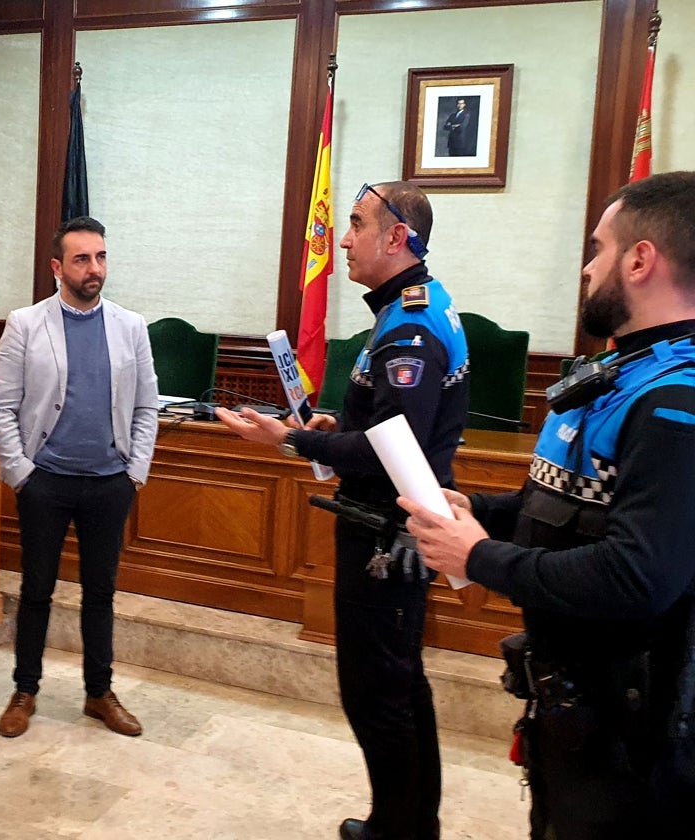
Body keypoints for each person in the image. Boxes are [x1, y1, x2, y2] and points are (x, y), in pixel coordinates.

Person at [401, 171, 695, 839]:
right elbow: (571, 505)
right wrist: (478, 505)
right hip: (573, 709)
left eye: (598, 249)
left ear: (640, 259)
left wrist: (480, 557)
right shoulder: (629, 372)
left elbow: (636, 575)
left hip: (635, 738)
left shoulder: (677, 401)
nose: (589, 268)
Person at [216, 182, 468, 840]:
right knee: (400, 688)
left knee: (378, 695)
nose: (343, 239)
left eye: (355, 225)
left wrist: (293, 437)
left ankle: (401, 830)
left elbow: (393, 449)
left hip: (387, 539)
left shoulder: (410, 327)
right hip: (390, 529)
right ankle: (407, 824)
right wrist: (337, 424)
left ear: (396, 238)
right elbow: (381, 426)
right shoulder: (404, 309)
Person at [0, 215, 159, 739]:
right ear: (58, 266)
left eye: (101, 256)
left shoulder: (130, 326)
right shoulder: (25, 323)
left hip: (110, 481)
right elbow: (1, 406)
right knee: (36, 588)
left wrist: (135, 472)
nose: (94, 268)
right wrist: (20, 473)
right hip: (46, 482)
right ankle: (25, 690)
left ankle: (98, 692)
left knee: (100, 592)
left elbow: (147, 406)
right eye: (82, 258)